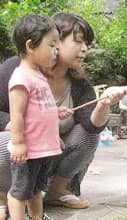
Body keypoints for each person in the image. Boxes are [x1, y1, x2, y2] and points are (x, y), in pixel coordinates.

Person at [0, 12, 127, 218]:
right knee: (7, 144)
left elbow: (92, 125)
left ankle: (56, 191)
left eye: (87, 43)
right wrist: (27, 132)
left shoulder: (78, 83)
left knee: (87, 136)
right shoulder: (18, 71)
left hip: (48, 152)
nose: (84, 49)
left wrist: (104, 103)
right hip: (24, 148)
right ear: (53, 41)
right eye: (78, 42)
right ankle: (5, 195)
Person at [6, 14, 67, 220]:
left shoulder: (39, 75)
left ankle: (37, 217)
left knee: (35, 191)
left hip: (43, 150)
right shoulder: (21, 77)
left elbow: (38, 109)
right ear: (31, 46)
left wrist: (55, 112)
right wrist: (18, 143)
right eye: (52, 45)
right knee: (20, 192)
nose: (56, 50)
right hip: (29, 152)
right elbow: (17, 114)